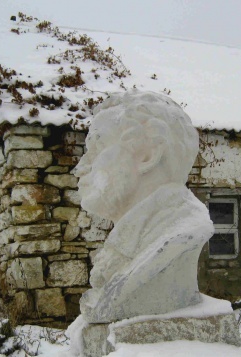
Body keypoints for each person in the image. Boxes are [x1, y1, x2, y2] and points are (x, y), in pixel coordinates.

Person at [74, 90, 214, 323]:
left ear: (148, 156)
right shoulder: (138, 237)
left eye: (96, 148)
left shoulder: (178, 234)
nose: (81, 166)